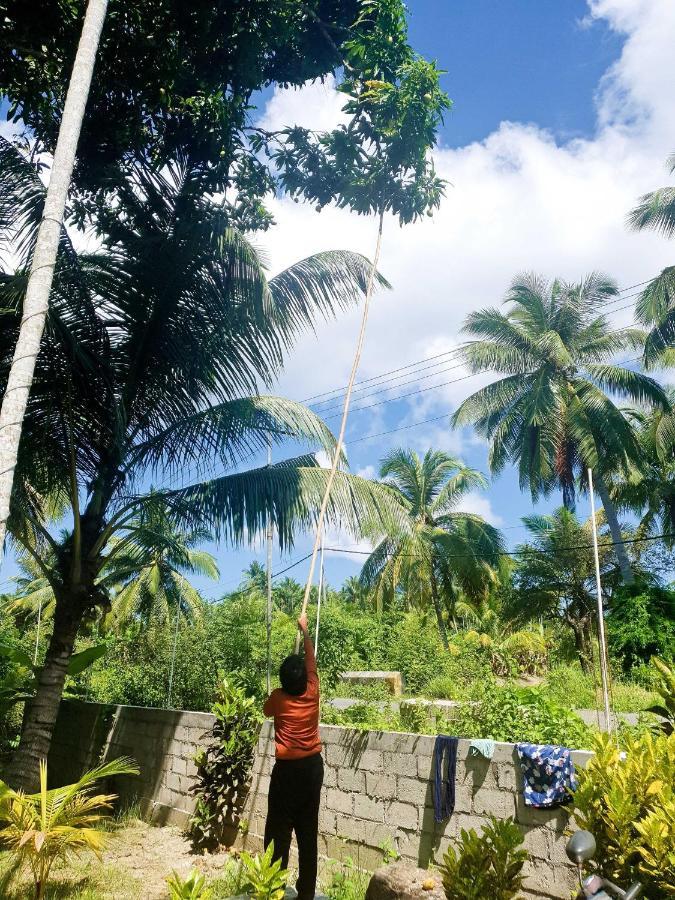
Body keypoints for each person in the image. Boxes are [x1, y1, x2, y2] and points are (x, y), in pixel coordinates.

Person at [263, 614, 323, 900]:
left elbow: (265, 711)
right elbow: (311, 662)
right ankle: (306, 894)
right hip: (312, 769)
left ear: (283, 682)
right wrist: (305, 631)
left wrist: (275, 691)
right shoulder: (313, 691)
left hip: (286, 772)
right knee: (307, 832)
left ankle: (273, 889)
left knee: (278, 832)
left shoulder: (277, 698)